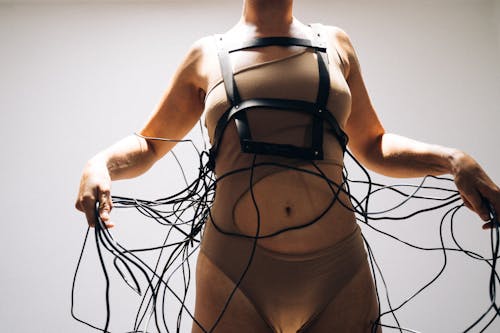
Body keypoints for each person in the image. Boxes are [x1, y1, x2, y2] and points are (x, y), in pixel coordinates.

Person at [75, 0, 500, 332]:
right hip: (233, 272)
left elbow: (374, 144)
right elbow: (149, 143)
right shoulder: (207, 54)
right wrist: (100, 165)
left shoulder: (336, 44)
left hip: (338, 271)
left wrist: (453, 160)